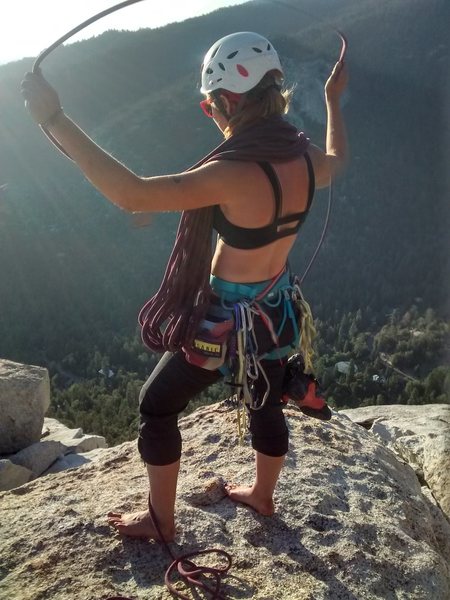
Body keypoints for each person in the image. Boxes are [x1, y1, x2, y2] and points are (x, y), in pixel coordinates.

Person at [21, 31, 348, 542]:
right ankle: (263, 495)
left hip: (222, 322)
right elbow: (337, 159)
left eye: (209, 107)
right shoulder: (307, 161)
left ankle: (161, 520)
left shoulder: (230, 172)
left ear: (226, 102)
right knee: (263, 400)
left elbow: (132, 194)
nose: (211, 116)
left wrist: (54, 120)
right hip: (276, 309)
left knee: (157, 405)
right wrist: (331, 102)